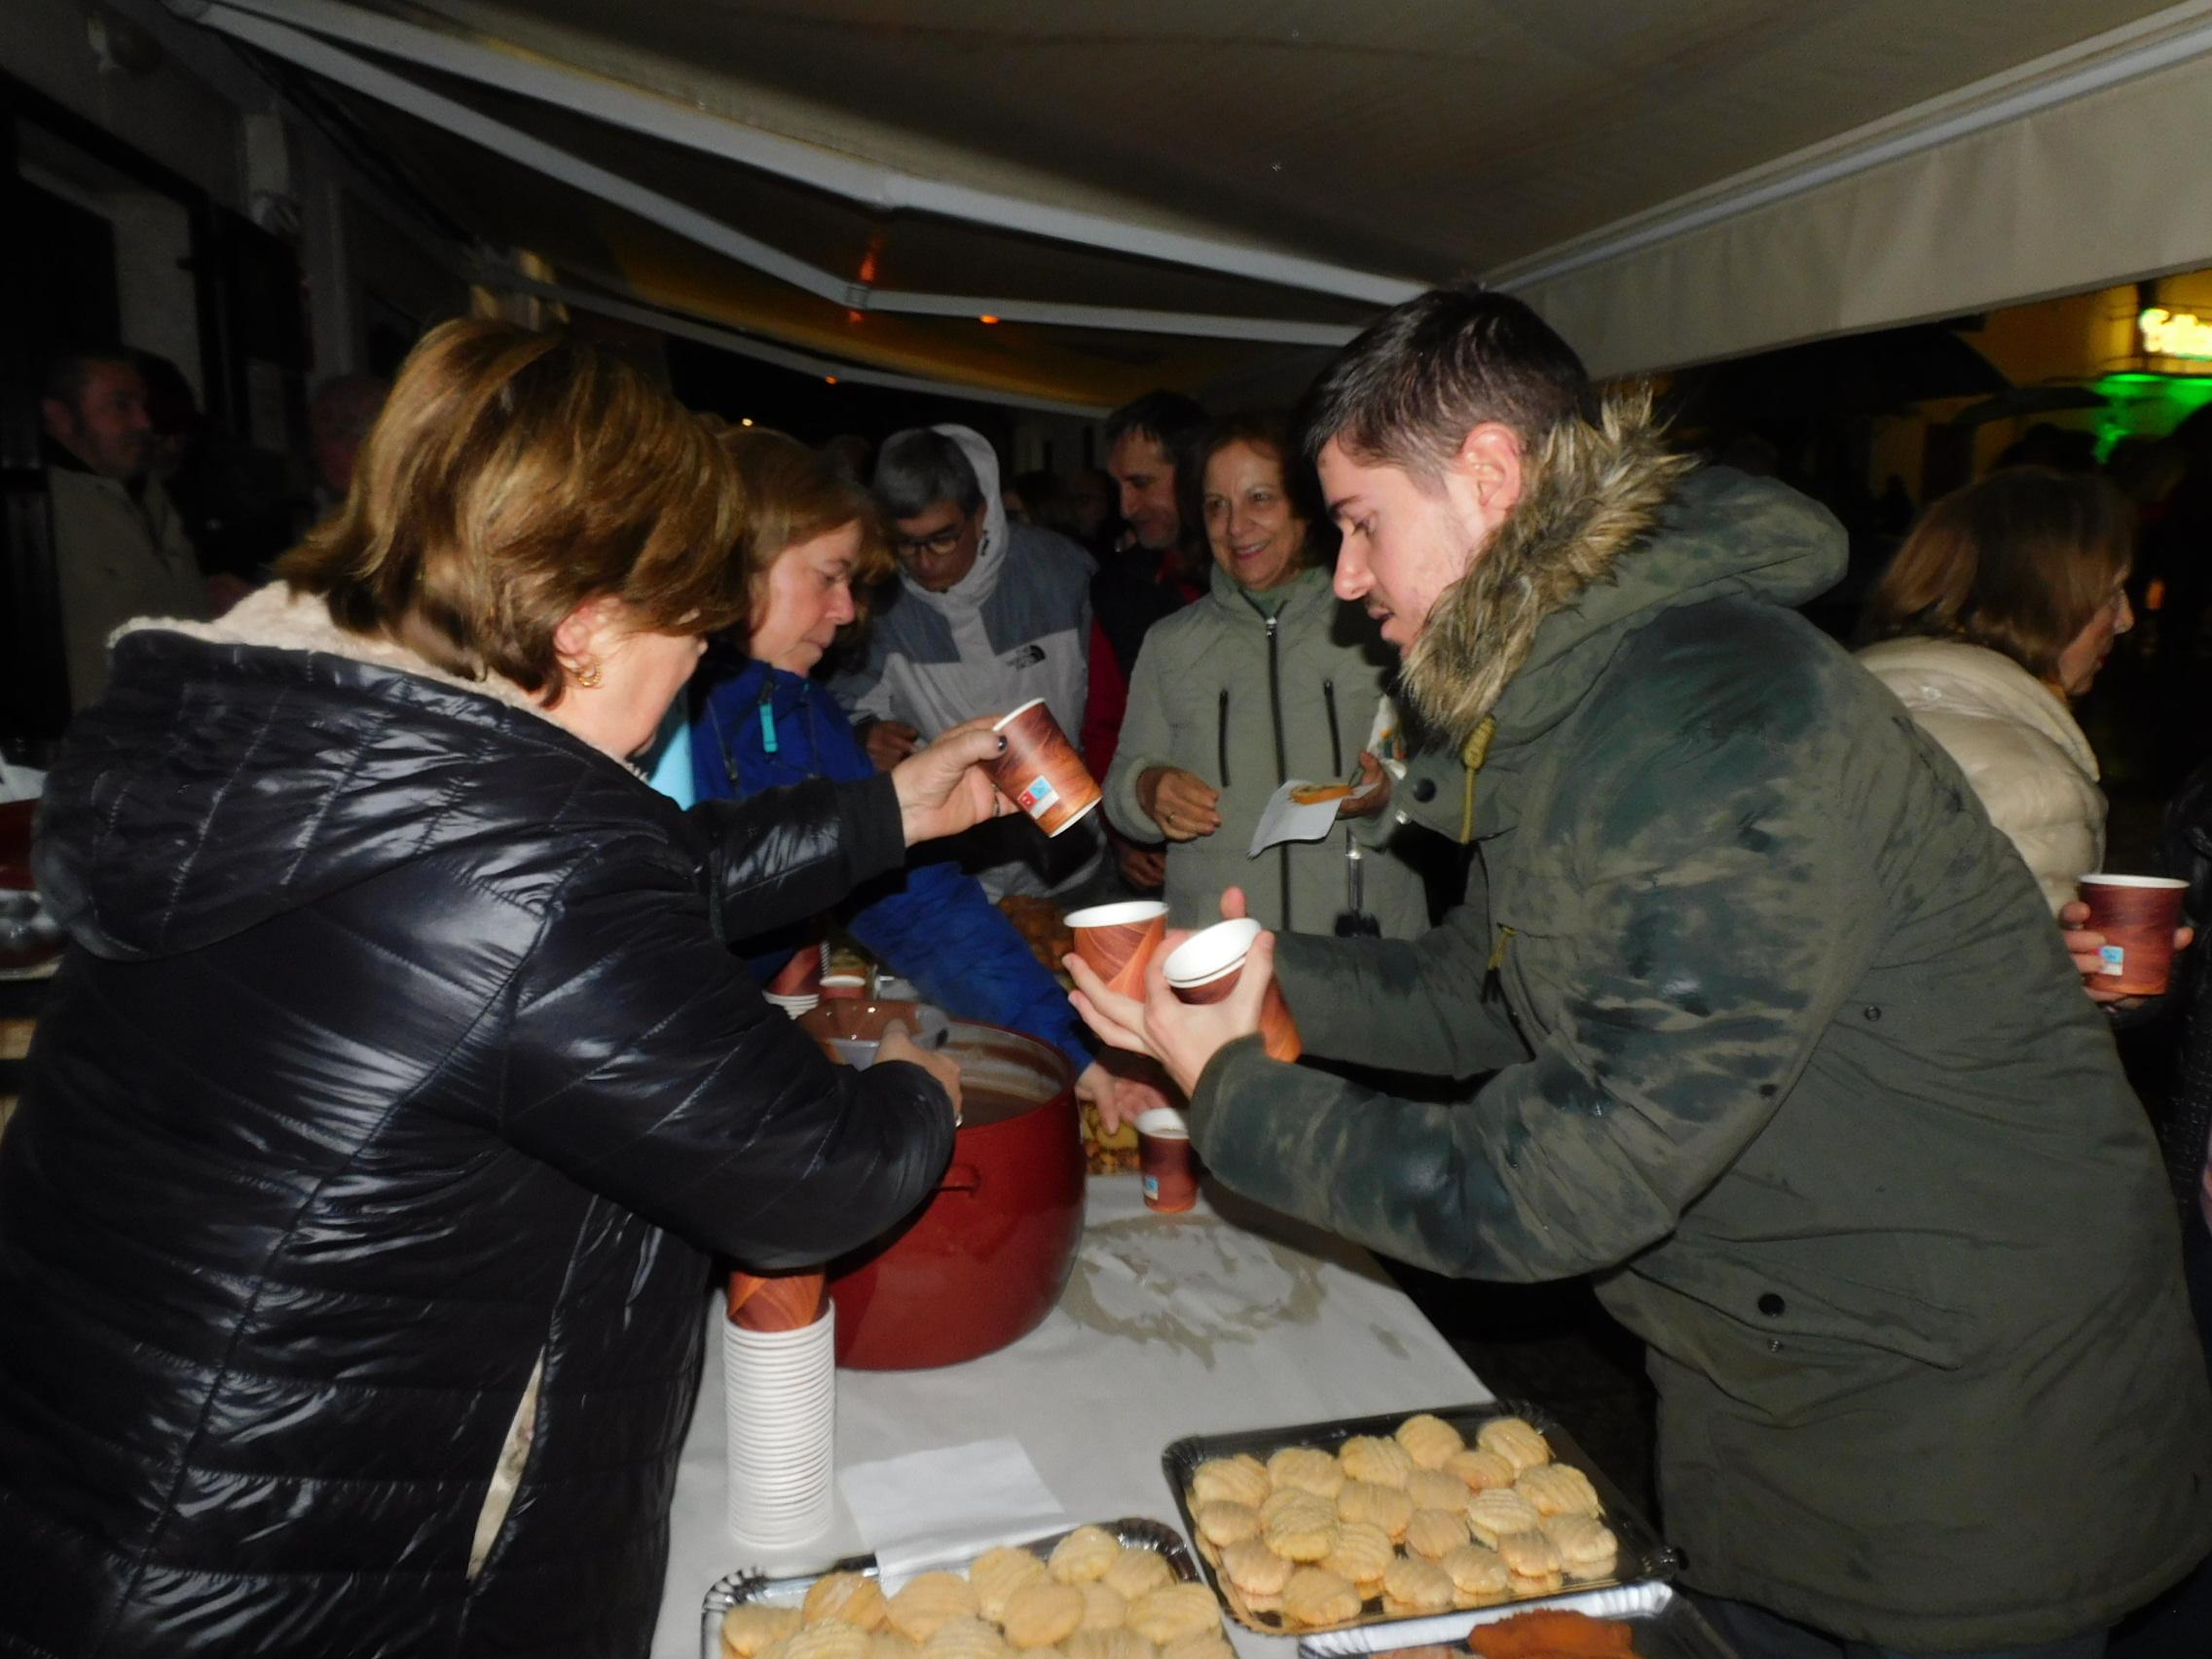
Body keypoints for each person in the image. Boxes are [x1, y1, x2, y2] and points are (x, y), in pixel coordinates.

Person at [1070, 286, 2212, 1659]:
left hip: (1968, 1436)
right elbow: (1483, 992)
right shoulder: (1569, 704)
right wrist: (1272, 980)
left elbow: (1572, 1176)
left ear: (1489, 476)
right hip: (1797, 1397)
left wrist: (1241, 1101)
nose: (1350, 578)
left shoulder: (1716, 709)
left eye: (1364, 522)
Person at [0, 320, 1011, 1657]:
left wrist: (882, 814)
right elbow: (810, 1172)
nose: (698, 668)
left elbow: (591, 898)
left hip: (107, 1523)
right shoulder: (522, 865)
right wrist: (914, 1090)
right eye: (694, 632)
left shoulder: (290, 731)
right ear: (587, 625)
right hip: (307, 1596)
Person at [688, 427, 1119, 1111]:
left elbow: (916, 908)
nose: (847, 610)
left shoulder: (802, 710)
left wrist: (1072, 1053)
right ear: (743, 561)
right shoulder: (658, 710)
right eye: (829, 577)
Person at [1102, 413, 1426, 937]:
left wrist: (1387, 796)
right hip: (1222, 946)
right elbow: (1120, 782)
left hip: (1366, 939)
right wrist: (1148, 788)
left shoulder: (1381, 621)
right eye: (1216, 506)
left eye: (1260, 499)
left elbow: (1450, 775)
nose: (1235, 527)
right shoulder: (1171, 643)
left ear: (1305, 509)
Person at [833, 424, 1103, 902]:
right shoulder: (876, 606)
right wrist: (862, 735)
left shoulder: (1060, 573)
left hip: (1078, 864)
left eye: (941, 539)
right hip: (959, 881)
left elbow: (1113, 705)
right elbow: (833, 708)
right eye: (906, 544)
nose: (924, 563)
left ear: (981, 514)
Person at [1857, 467, 2134, 912]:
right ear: (2044, 603)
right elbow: (2014, 977)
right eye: (2112, 594)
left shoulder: (1839, 704)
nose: (2125, 620)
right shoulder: (2028, 782)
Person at [39, 345, 210, 711]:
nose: (144, 423)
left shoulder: (150, 494)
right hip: (97, 745)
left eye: (142, 406)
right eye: (121, 405)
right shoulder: (42, 509)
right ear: (61, 417)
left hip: (181, 733)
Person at [1093, 391, 1211, 882]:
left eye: (1141, 483)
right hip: (1168, 857)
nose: (1126, 506)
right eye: (1119, 486)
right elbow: (1103, 727)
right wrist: (1124, 834)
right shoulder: (1119, 589)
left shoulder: (1270, 581)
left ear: (1193, 475)